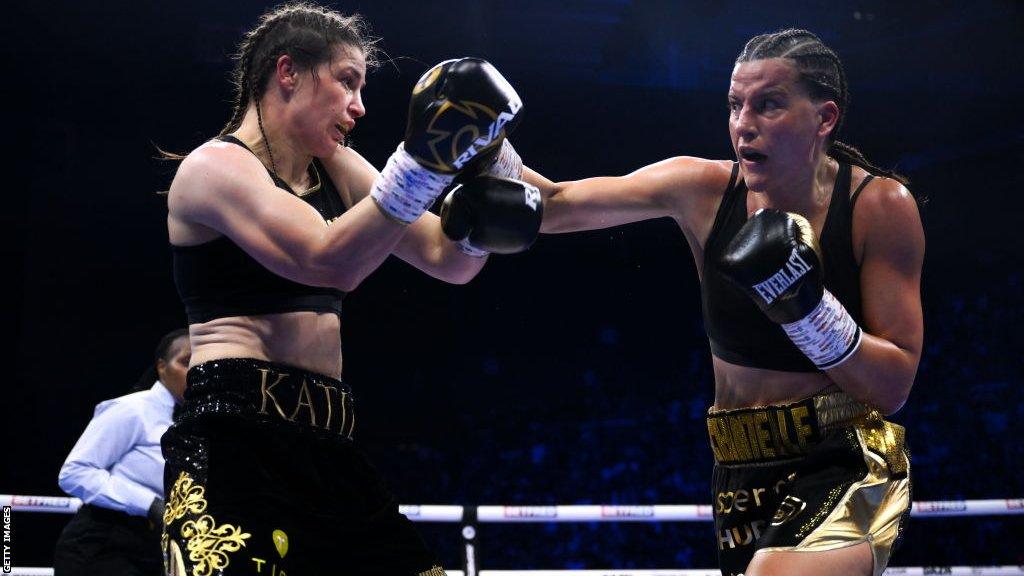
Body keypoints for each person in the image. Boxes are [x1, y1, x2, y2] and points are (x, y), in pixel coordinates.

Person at [517, 29, 923, 576]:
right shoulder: (702, 190)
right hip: (738, 465)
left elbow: (894, 386)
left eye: (769, 104)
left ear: (824, 118)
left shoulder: (878, 205)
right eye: (735, 105)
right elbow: (555, 204)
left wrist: (809, 312)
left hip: (849, 456)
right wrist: (479, 136)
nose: (743, 124)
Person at [161, 2, 540, 575]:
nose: (359, 106)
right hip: (235, 445)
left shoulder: (335, 167)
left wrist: (491, 169)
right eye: (347, 82)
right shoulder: (212, 167)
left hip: (331, 449)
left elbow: (447, 260)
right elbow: (326, 260)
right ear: (288, 72)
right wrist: (422, 163)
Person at [54, 329, 190, 575]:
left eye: (201, 365)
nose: (194, 372)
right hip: (101, 543)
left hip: (153, 549)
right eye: (185, 362)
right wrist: (149, 504)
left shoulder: (196, 424)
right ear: (162, 367)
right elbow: (74, 473)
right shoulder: (132, 409)